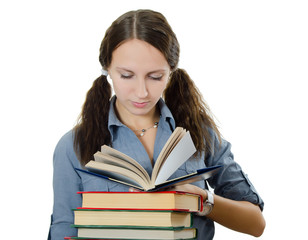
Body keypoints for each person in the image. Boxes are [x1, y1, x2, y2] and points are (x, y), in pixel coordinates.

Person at [48, 9, 265, 240]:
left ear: (171, 72)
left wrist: (201, 200)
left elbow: (255, 223)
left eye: (155, 77)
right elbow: (64, 230)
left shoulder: (198, 132)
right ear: (107, 69)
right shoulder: (72, 146)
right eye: (127, 75)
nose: (141, 92)